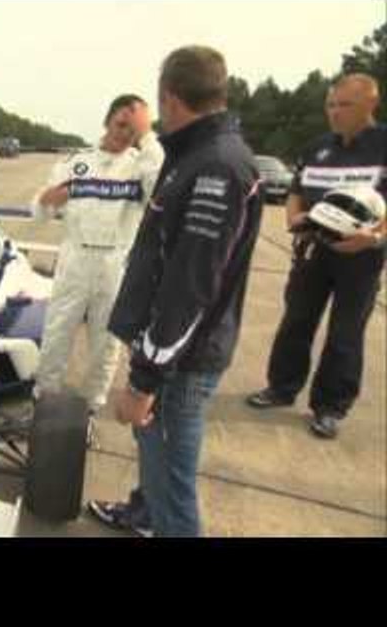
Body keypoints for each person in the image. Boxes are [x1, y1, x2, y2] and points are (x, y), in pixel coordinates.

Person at [92, 46, 263, 538]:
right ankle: (144, 514)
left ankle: (159, 519)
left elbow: (191, 287)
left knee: (173, 488)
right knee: (158, 469)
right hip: (167, 350)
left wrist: (144, 381)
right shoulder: (195, 154)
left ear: (169, 95)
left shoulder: (216, 167)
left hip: (179, 362)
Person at [247, 74, 387, 439]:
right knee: (296, 320)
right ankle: (281, 387)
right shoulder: (317, 147)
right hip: (313, 249)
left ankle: (329, 407)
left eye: (345, 105)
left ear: (371, 105)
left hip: (360, 257)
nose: (335, 113)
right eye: (331, 105)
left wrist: (374, 237)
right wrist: (294, 218)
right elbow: (296, 189)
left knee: (345, 332)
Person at [31, 95, 164, 416]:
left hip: (116, 263)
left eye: (133, 129)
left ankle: (91, 406)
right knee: (57, 332)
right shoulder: (75, 163)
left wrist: (147, 138)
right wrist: (47, 199)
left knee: (107, 343)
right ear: (107, 121)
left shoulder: (141, 166)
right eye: (121, 124)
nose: (124, 133)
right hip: (75, 257)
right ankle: (43, 399)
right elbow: (39, 212)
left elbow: (161, 187)